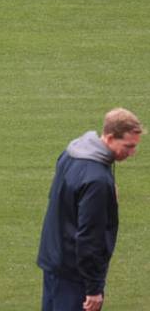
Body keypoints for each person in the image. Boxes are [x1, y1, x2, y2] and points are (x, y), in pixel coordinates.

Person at [37, 108, 142, 311]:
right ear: (110, 138)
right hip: (74, 274)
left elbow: (60, 198)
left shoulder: (71, 153)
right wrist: (94, 288)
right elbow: (89, 238)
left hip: (53, 261)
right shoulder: (97, 181)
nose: (132, 153)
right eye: (128, 146)